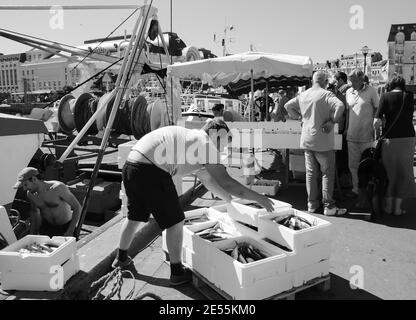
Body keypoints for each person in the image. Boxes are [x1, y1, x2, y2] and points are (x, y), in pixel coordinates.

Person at [112, 119, 274, 285]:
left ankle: (121, 258)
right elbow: (227, 182)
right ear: (215, 135)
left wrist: (229, 201)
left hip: (132, 166)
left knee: (134, 218)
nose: (222, 149)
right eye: (223, 143)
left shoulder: (193, 140)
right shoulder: (204, 143)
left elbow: (208, 180)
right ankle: (177, 272)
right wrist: (259, 198)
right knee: (175, 222)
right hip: (151, 170)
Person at [285, 71, 347, 216]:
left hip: (307, 140)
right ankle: (328, 206)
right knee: (327, 173)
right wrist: (332, 121)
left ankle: (312, 204)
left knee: (311, 173)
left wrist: (299, 117)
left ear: (313, 81)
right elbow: (341, 106)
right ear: (325, 81)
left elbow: (288, 106)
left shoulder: (303, 95)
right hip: (323, 141)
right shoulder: (327, 95)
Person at [373, 76, 416, 216]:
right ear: (403, 85)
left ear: (391, 84)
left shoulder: (385, 96)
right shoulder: (409, 97)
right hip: (408, 139)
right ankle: (397, 209)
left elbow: (376, 122)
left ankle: (388, 206)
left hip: (390, 140)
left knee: (389, 173)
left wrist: (376, 135)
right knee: (403, 173)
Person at [345, 70, 380, 207]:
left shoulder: (372, 91)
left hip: (367, 136)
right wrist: (347, 128)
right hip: (352, 135)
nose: (351, 83)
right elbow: (349, 112)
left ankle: (367, 191)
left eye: (353, 80)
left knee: (366, 167)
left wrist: (376, 125)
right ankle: (356, 190)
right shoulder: (349, 92)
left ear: (361, 79)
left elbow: (378, 109)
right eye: (350, 80)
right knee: (353, 165)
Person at [13, 167, 81, 237]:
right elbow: (35, 212)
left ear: (34, 179)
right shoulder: (30, 194)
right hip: (47, 228)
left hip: (65, 227)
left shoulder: (58, 188)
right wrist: (33, 233)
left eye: (25, 184)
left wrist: (70, 231)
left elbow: (77, 207)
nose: (24, 189)